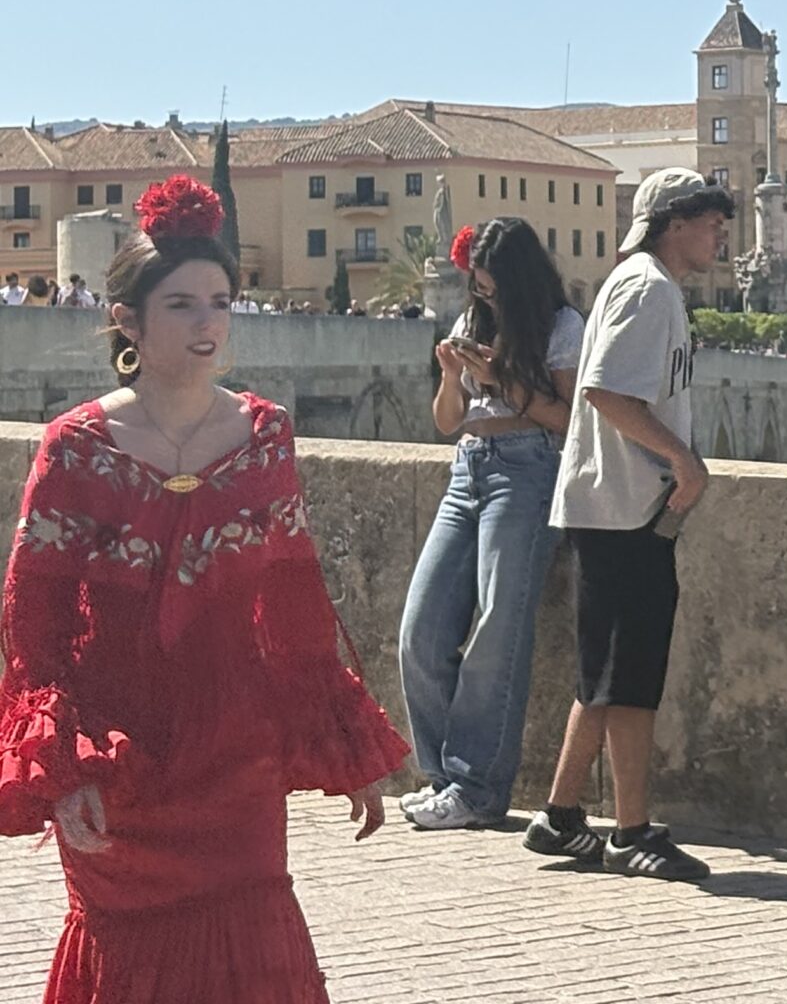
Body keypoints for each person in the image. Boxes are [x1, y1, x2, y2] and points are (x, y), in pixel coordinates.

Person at [0, 175, 408, 1004]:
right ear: (128, 320)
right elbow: (34, 621)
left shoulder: (265, 434)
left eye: (219, 302)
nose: (208, 323)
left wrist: (346, 753)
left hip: (236, 752)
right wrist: (67, 769)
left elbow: (293, 608)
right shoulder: (74, 446)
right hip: (119, 756)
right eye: (182, 305)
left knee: (252, 939)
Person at [526, 168, 731, 881]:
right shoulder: (648, 288)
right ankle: (632, 831)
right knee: (631, 679)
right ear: (673, 224)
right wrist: (682, 458)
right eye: (710, 222)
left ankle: (561, 817)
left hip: (609, 507)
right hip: (626, 509)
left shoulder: (639, 282)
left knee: (605, 671)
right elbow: (606, 392)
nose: (720, 234)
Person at [395, 218, 581, 831]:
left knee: (499, 628)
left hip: (528, 469)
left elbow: (568, 418)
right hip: (468, 467)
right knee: (420, 629)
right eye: (477, 286)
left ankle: (477, 788)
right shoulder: (472, 320)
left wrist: (504, 380)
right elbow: (448, 421)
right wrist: (453, 377)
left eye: (492, 286)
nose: (484, 296)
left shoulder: (561, 327)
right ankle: (442, 776)